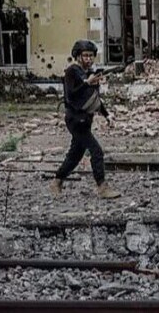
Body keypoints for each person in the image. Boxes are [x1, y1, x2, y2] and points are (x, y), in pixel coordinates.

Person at [50, 39, 117, 198]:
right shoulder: (72, 72)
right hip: (75, 119)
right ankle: (102, 187)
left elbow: (94, 99)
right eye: (85, 55)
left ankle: (57, 181)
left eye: (91, 56)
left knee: (75, 154)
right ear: (77, 56)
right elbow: (71, 94)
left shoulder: (90, 74)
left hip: (85, 119)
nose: (88, 59)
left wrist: (107, 115)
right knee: (96, 151)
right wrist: (87, 83)